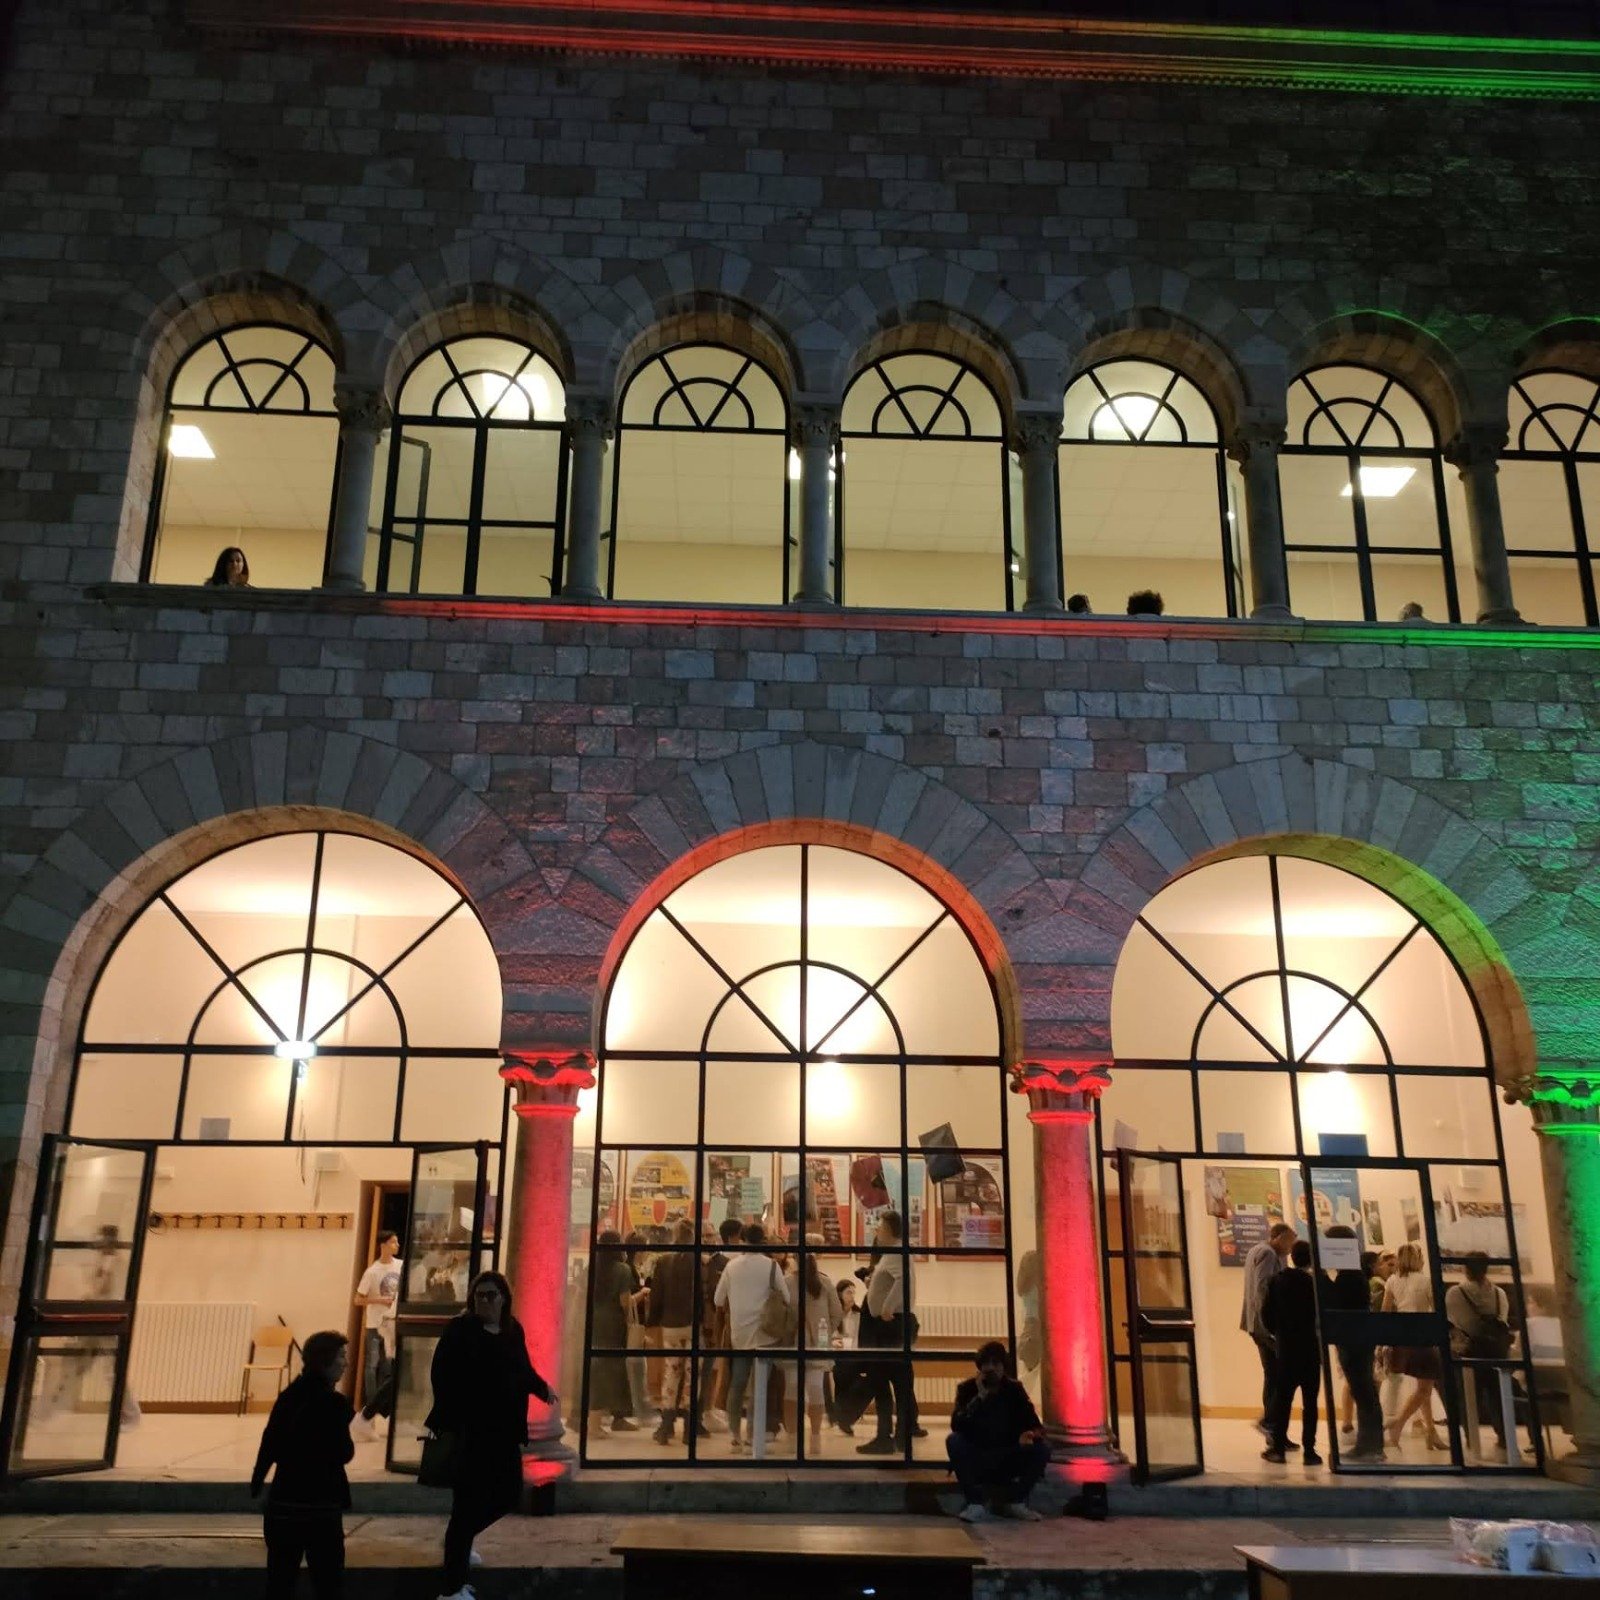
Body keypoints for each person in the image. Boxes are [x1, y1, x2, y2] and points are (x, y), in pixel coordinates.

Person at [426, 1270, 555, 1600]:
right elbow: (441, 1373)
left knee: (507, 1493)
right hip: (470, 1430)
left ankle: (459, 1542)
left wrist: (540, 1388)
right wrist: (451, 1412)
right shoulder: (460, 1331)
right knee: (467, 1502)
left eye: (491, 1295)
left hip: (504, 1429)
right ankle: (452, 1587)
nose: (484, 1301)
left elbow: (522, 1368)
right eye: (479, 1295)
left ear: (503, 1299)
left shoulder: (512, 1330)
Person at [250, 1329, 355, 1600]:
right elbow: (344, 1452)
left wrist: (257, 1483)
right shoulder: (334, 1403)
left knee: (280, 1582)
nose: (345, 1363)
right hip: (321, 1505)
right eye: (341, 1356)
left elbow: (269, 1442)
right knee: (328, 1583)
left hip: (284, 1502)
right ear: (325, 1361)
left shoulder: (288, 1396)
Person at [945, 1341, 1049, 1523]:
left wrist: (1031, 1435)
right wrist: (980, 1398)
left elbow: (1035, 1425)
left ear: (1003, 1367)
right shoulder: (967, 1389)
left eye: (995, 1363)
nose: (990, 1368)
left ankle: (1016, 1502)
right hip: (978, 1455)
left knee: (1043, 1450)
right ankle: (974, 1503)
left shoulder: (1014, 1390)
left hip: (1008, 1455)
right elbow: (957, 1424)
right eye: (986, 1363)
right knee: (953, 1441)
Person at [714, 1222, 790, 1454]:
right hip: (766, 1334)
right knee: (760, 1388)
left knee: (737, 1384)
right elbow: (786, 1297)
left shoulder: (732, 1266)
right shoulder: (772, 1266)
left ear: (743, 1239)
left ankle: (734, 1436)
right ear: (763, 1239)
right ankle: (752, 1437)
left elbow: (718, 1300)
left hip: (740, 1334)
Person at [857, 1210, 917, 1456]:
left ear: (891, 1230)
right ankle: (898, 1436)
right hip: (890, 1325)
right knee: (895, 1382)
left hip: (889, 1327)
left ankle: (886, 1436)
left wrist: (887, 1307)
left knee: (883, 1380)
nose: (877, 1231)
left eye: (880, 1227)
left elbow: (903, 1281)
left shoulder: (895, 1253)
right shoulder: (894, 1253)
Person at [1260, 1239, 1323, 1466]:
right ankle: (1310, 1451)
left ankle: (1278, 1448)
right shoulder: (1314, 1284)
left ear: (1292, 1257)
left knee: (1283, 1400)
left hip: (1287, 1349)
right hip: (1310, 1349)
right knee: (1310, 1403)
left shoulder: (1278, 1281)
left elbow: (1266, 1314)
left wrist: (1277, 1332)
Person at [1325, 1231, 1384, 1462]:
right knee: (1365, 1391)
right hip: (1358, 1340)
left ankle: (1370, 1446)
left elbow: (1336, 1303)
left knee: (1363, 1391)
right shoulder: (1353, 1274)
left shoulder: (1349, 1277)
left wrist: (1322, 1279)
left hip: (1354, 1341)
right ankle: (1370, 1445)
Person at [1446, 1250, 1513, 1451]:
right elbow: (1503, 1320)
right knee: (1498, 1395)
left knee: (1468, 1398)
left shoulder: (1456, 1293)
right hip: (1496, 1351)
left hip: (1470, 1351)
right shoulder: (1500, 1294)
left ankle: (1471, 1439)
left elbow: (1459, 1321)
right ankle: (1504, 1436)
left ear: (1465, 1268)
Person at [1383, 1242, 1446, 1452]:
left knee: (1423, 1387)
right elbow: (1437, 1310)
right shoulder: (1426, 1281)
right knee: (1425, 1388)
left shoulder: (1392, 1281)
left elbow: (1385, 1312)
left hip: (1402, 1338)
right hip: (1423, 1337)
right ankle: (1397, 1425)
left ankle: (1431, 1432)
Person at [1239, 1222, 1297, 1437]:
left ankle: (1274, 1429)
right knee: (1280, 1374)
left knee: (1273, 1373)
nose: (1291, 1248)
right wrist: (1270, 1324)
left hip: (1257, 1323)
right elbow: (1262, 1288)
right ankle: (1270, 1422)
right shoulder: (1268, 1253)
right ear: (1278, 1237)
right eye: (1289, 1241)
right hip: (1266, 1325)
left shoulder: (1258, 1250)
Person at [787, 1234, 843, 1454]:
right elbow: (837, 1313)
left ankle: (792, 1438)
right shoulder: (824, 1282)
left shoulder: (787, 1282)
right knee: (816, 1389)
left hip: (792, 1343)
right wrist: (825, 1331)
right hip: (818, 1345)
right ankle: (816, 1438)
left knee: (792, 1391)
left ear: (794, 1259)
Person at [649, 1217, 700, 1445]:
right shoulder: (698, 1260)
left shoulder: (663, 1261)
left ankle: (666, 1425)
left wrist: (653, 1321)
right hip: (692, 1324)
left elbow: (656, 1295)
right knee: (691, 1376)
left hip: (670, 1325)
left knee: (672, 1373)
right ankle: (689, 1428)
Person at [350, 1230, 402, 1441]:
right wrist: (380, 1300)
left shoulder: (401, 1266)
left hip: (393, 1324)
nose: (397, 1245)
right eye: (393, 1242)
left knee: (389, 1369)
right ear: (383, 1245)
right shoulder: (372, 1272)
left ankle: (376, 1413)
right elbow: (358, 1299)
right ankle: (368, 1416)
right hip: (376, 1324)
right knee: (372, 1368)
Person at [587, 1230, 638, 1438]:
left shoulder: (593, 1268)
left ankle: (614, 1417)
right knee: (609, 1371)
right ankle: (595, 1425)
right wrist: (638, 1301)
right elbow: (625, 1302)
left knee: (600, 1369)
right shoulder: (623, 1269)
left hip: (593, 1323)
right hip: (613, 1325)